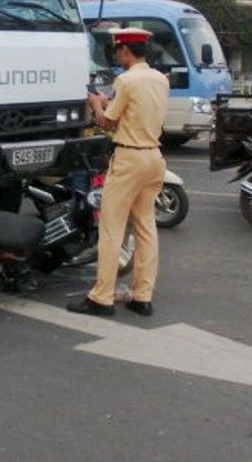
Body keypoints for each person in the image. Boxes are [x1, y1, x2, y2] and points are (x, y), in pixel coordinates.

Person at [68, 27, 169, 318]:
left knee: (112, 229)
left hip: (129, 158)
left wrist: (96, 104)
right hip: (154, 157)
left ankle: (102, 297)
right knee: (146, 228)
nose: (117, 56)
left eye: (117, 51)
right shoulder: (160, 80)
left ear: (125, 50)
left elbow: (108, 122)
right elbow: (136, 111)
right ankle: (142, 296)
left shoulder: (125, 80)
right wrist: (107, 102)